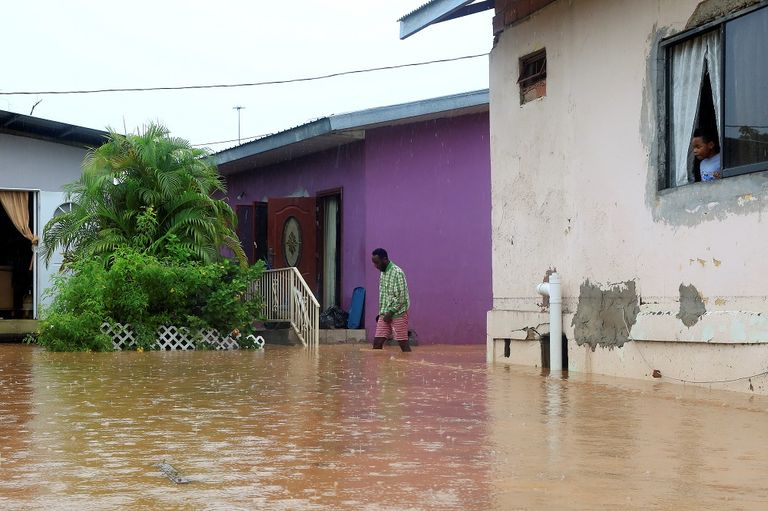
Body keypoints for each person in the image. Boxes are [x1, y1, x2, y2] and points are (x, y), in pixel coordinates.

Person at [371, 248, 411, 352]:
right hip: (384, 314)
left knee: (403, 344)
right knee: (377, 344)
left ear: (385, 259)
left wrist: (391, 312)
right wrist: (382, 313)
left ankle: (406, 366)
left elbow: (402, 297)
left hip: (398, 313)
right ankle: (381, 368)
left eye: (377, 263)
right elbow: (384, 295)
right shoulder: (382, 272)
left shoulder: (398, 272)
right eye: (374, 263)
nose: (375, 266)